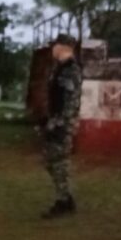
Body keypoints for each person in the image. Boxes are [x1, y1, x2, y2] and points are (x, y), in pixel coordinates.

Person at [41, 34, 82, 219]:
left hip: (62, 123)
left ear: (64, 47)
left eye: (54, 45)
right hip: (56, 121)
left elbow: (70, 102)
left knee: (58, 162)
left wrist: (60, 124)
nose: (52, 49)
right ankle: (65, 197)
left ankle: (64, 200)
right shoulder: (60, 69)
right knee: (52, 161)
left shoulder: (70, 70)